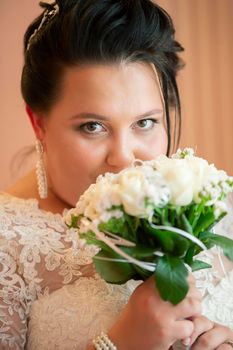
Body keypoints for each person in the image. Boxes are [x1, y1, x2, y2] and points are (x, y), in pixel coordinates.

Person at [1, 0, 233, 349]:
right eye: (92, 126)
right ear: (40, 123)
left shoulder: (215, 205)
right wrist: (120, 343)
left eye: (145, 122)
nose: (124, 157)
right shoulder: (8, 245)